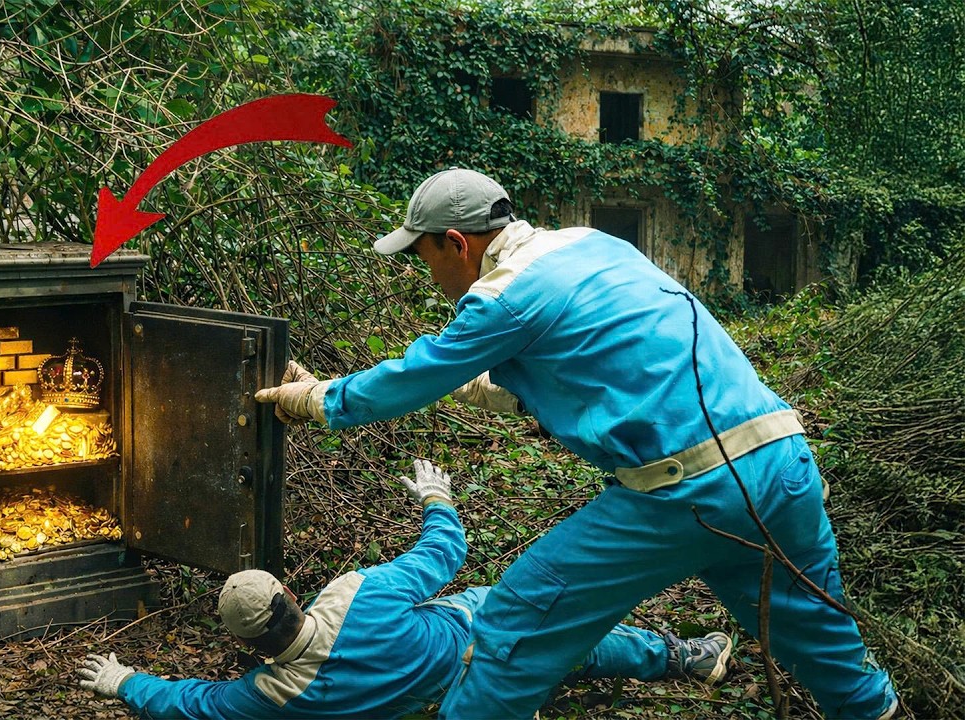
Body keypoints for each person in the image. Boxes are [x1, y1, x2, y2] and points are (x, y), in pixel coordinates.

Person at [253, 168, 898, 719]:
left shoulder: (502, 298)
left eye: (424, 258)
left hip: (687, 490)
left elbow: (412, 377)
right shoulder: (593, 246)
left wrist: (315, 400)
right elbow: (576, 366)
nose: (429, 276)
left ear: (456, 242)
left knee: (513, 623)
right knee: (818, 634)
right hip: (780, 458)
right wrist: (458, 383)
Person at [76, 460, 733, 719]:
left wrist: (122, 680)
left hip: (443, 699)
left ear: (246, 644)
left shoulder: (273, 696)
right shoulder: (354, 593)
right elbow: (444, 552)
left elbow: (193, 703)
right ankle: (683, 657)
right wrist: (437, 496)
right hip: (475, 638)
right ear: (290, 596)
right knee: (558, 629)